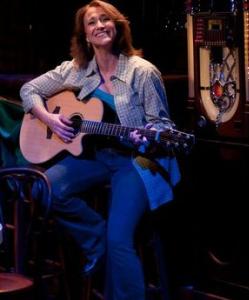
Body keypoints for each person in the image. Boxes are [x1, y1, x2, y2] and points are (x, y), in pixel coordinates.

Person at [20, 0, 181, 299]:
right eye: (91, 22)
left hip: (135, 161)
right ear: (84, 36)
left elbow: (163, 125)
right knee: (45, 187)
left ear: (117, 26)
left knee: (120, 238)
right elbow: (28, 91)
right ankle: (96, 241)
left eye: (105, 19)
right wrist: (49, 119)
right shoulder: (76, 71)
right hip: (94, 158)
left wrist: (147, 137)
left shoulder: (142, 72)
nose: (99, 26)